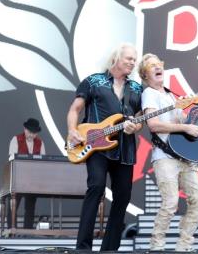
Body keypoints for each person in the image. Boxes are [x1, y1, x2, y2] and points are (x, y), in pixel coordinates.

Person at [66, 43, 143, 251]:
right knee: (96, 187)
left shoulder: (136, 88)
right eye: (129, 58)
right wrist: (72, 130)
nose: (132, 62)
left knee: (123, 196)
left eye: (134, 60)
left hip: (125, 149)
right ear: (116, 58)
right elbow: (75, 109)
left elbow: (138, 119)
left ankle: (110, 248)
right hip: (95, 146)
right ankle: (83, 247)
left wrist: (134, 126)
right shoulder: (94, 81)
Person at [138, 53, 198, 251]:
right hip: (164, 157)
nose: (157, 67)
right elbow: (153, 125)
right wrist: (185, 128)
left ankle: (184, 244)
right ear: (145, 75)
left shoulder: (171, 94)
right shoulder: (149, 94)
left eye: (158, 64)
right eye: (151, 66)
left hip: (184, 157)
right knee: (170, 202)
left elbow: (185, 121)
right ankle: (156, 246)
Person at [6, 118, 46, 229]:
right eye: (30, 132)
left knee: (30, 207)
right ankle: (11, 231)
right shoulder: (16, 139)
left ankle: (27, 231)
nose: (31, 135)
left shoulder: (40, 143)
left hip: (33, 181)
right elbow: (12, 159)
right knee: (13, 207)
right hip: (17, 179)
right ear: (25, 129)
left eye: (34, 133)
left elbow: (43, 162)